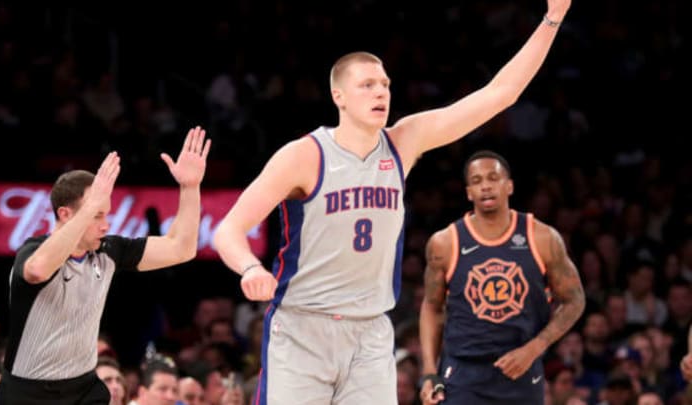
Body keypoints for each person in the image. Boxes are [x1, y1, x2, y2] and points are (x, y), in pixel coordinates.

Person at [213, 0, 572, 402]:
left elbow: (500, 95)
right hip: (303, 329)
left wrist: (552, 17)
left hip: (370, 332)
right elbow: (227, 229)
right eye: (367, 85)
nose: (381, 91)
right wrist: (249, 268)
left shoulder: (402, 142)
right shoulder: (304, 155)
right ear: (339, 96)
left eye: (385, 84)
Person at [0, 126, 211, 405]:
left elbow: (181, 248)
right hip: (28, 393)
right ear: (65, 214)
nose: (106, 224)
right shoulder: (34, 251)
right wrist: (88, 208)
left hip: (84, 388)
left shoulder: (109, 250)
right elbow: (37, 271)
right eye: (97, 215)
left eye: (105, 213)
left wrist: (190, 187)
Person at [418, 151, 585, 405]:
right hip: (463, 373)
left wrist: (535, 348)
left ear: (509, 186)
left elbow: (575, 300)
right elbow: (432, 307)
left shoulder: (542, 238)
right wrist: (429, 371)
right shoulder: (445, 243)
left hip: (522, 367)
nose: (485, 186)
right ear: (468, 193)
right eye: (476, 181)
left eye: (493, 178)